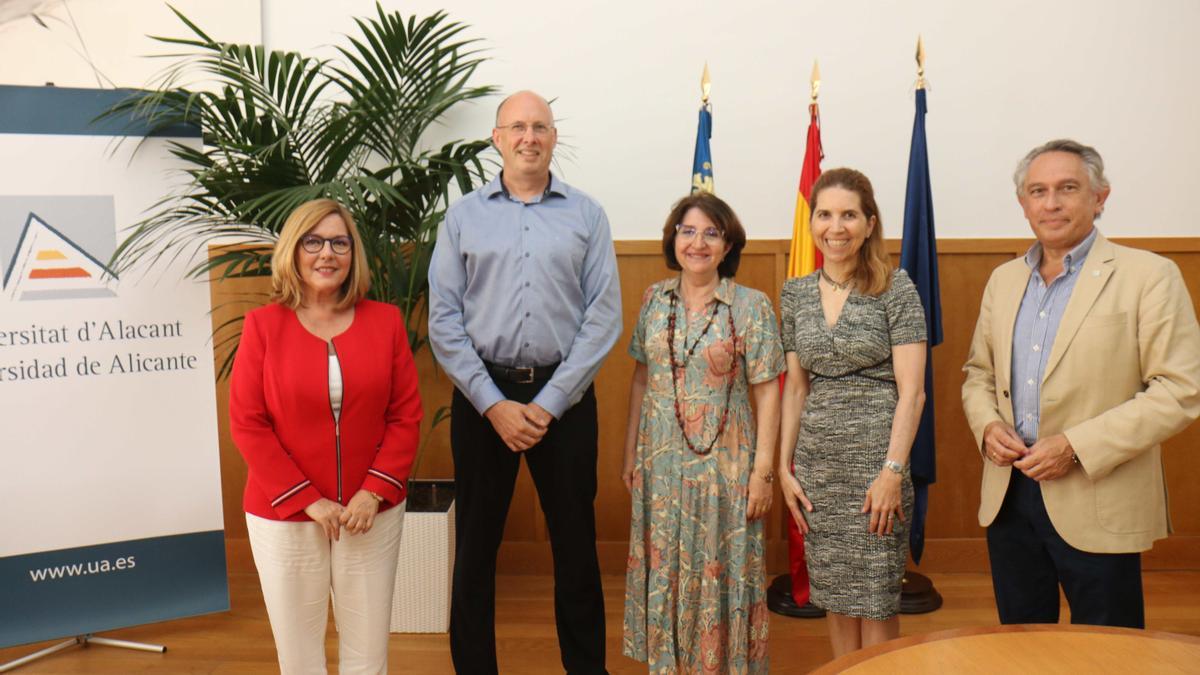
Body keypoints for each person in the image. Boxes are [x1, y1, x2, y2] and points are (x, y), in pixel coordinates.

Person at [962, 139, 1200, 628]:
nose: (1051, 203)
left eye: (1067, 188)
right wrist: (987, 427)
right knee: (1024, 649)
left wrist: (1075, 445)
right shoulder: (1003, 280)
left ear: (1100, 196)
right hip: (1009, 496)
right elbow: (977, 375)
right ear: (1023, 204)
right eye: (1038, 191)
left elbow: (1180, 390)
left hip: (1098, 492)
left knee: (1109, 652)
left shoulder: (1150, 276)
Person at [427, 90, 621, 674]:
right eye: (517, 126)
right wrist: (493, 404)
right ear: (498, 139)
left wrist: (551, 402)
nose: (529, 137)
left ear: (554, 138)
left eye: (540, 126)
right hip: (483, 400)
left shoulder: (587, 214)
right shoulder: (462, 217)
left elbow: (603, 315)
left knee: (576, 551)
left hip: (565, 402)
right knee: (476, 551)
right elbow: (444, 321)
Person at [229, 198, 423, 674]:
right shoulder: (263, 326)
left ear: (353, 253)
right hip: (286, 515)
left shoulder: (386, 322)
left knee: (368, 653)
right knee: (298, 656)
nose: (327, 254)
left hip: (368, 513)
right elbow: (248, 422)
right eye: (313, 242)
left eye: (339, 242)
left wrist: (372, 493)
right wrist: (307, 499)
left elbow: (405, 416)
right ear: (294, 251)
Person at [622, 192, 783, 673]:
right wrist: (629, 451)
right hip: (661, 469)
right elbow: (640, 376)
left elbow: (769, 393)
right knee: (667, 569)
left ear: (727, 244)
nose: (698, 242)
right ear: (674, 238)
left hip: (726, 472)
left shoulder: (751, 307)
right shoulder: (654, 298)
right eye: (688, 231)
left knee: (720, 573)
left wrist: (764, 473)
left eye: (711, 233)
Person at [777, 168, 927, 657]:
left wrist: (891, 471)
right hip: (819, 468)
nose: (835, 227)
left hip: (877, 467)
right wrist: (783, 467)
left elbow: (913, 394)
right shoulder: (795, 293)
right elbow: (795, 389)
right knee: (836, 598)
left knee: (878, 601)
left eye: (848, 215)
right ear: (812, 221)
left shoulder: (896, 288)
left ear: (869, 223)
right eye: (824, 214)